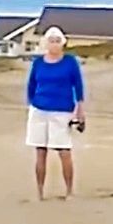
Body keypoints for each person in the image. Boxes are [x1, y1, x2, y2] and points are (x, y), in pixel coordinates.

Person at [25, 26, 85, 200]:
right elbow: (31, 84)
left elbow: (78, 85)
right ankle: (40, 192)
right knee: (40, 151)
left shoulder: (70, 62)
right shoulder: (38, 62)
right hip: (39, 109)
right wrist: (32, 102)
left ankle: (69, 191)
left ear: (63, 43)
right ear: (46, 43)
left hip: (62, 110)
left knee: (64, 150)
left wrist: (80, 109)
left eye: (57, 41)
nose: (54, 44)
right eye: (51, 41)